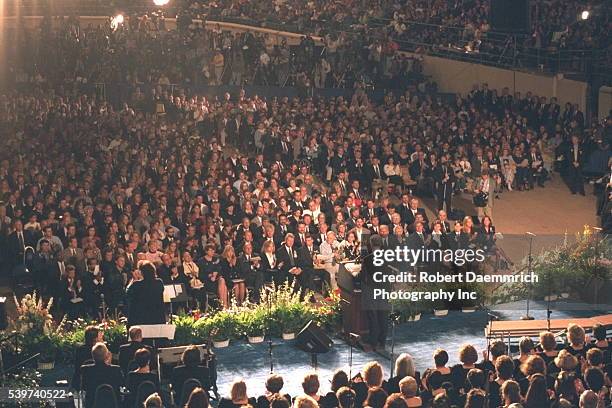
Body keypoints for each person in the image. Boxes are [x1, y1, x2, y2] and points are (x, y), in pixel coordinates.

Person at [80, 342, 125, 408]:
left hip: (91, 403)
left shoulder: (86, 370)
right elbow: (122, 384)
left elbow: (84, 387)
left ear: (93, 355)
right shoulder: (116, 369)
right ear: (106, 355)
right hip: (113, 403)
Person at [126, 262, 165, 326]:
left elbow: (128, 293)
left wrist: (134, 279)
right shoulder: (159, 283)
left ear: (142, 273)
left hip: (141, 319)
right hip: (157, 318)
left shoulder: (136, 285)